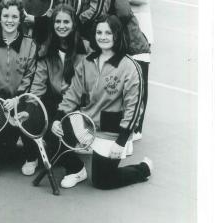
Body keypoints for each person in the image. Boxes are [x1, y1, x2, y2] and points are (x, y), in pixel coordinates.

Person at [51, 16, 152, 190]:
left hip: (111, 132)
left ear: (117, 36)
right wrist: (58, 118)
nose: (102, 37)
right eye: (99, 32)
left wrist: (120, 141)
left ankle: (143, 169)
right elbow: (73, 93)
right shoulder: (87, 61)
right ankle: (77, 169)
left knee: (102, 181)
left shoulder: (129, 67)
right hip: (88, 125)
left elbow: (134, 108)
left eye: (108, 33)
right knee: (51, 133)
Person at [113, 0, 160, 141]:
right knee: (119, 78)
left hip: (141, 27)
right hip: (119, 26)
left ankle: (136, 126)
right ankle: (117, 121)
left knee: (140, 78)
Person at [0, 0, 38, 177]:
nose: (9, 20)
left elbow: (30, 76)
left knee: (29, 114)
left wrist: (17, 99)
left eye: (14, 16)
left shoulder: (30, 44)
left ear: (20, 19)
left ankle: (32, 157)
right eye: (6, 16)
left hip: (20, 98)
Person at [30, 4, 87, 174]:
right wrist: (30, 107)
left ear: (74, 24)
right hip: (54, 103)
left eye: (66, 22)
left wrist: (58, 117)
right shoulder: (46, 49)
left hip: (77, 106)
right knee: (33, 118)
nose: (61, 26)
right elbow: (37, 86)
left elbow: (82, 89)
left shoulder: (86, 49)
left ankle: (77, 167)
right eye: (57, 21)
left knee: (63, 139)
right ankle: (35, 154)